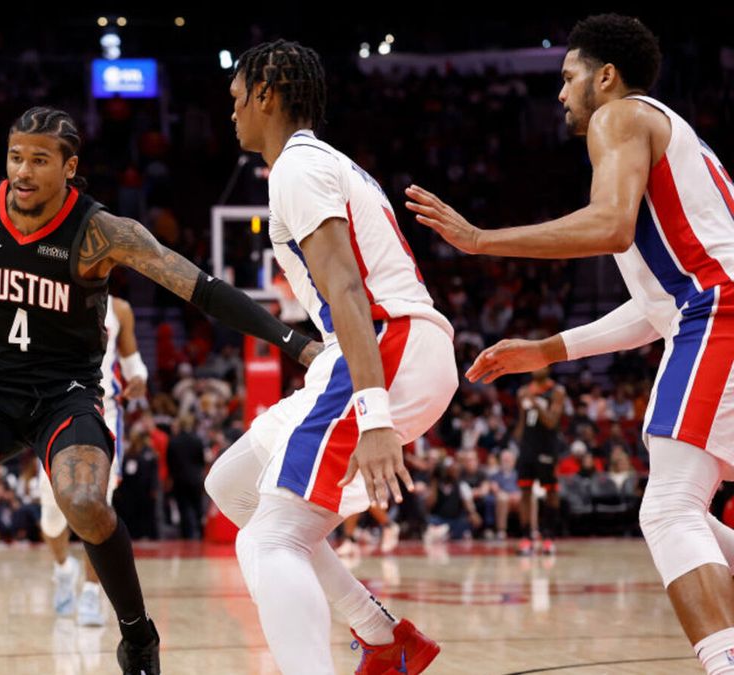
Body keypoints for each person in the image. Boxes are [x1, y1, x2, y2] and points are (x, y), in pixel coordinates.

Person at [0, 105, 319, 675]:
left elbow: (200, 287)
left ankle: (137, 635)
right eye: (15, 157)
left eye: (39, 160)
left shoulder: (100, 231)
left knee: (85, 504)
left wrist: (295, 343)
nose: (22, 171)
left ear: (70, 167)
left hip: (65, 393)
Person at [405, 14, 734, 674]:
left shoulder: (621, 117)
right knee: (689, 511)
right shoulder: (676, 138)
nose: (559, 93)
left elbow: (610, 226)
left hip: (720, 315)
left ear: (604, 77)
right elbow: (653, 311)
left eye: (567, 77)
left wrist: (479, 240)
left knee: (669, 507)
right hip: (707, 314)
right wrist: (547, 349)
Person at [203, 40, 456, 675]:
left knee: (270, 539)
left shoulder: (297, 166)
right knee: (232, 487)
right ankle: (382, 634)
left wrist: (372, 416)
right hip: (378, 347)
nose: (231, 113)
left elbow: (346, 287)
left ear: (266, 92)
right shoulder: (317, 163)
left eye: (237, 99)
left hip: (383, 346)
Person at [41, 294, 148, 626]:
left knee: (98, 508)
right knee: (52, 518)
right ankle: (62, 570)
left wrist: (139, 380)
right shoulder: (48, 293)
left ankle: (90, 591)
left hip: (103, 411)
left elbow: (133, 365)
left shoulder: (120, 308)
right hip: (52, 412)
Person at [513, 368, 567, 555]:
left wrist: (534, 401)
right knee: (525, 492)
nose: (536, 368)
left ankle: (548, 538)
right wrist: (517, 444)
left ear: (548, 367)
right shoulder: (523, 392)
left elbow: (552, 421)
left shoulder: (557, 391)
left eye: (540, 364)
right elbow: (521, 423)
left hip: (547, 448)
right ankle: (527, 538)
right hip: (527, 448)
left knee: (551, 492)